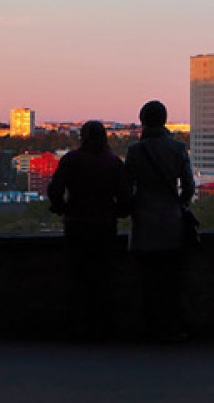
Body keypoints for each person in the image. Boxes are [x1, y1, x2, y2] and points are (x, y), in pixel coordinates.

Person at [47, 120, 132, 341]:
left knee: (78, 277)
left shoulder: (71, 161)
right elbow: (125, 196)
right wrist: (118, 212)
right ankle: (103, 326)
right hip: (105, 226)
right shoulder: (113, 163)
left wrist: (63, 208)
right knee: (103, 278)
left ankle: (78, 326)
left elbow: (55, 190)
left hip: (76, 224)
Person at [125, 100, 196, 342]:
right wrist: (180, 204)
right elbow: (188, 186)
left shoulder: (135, 151)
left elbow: (126, 188)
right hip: (171, 221)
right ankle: (173, 327)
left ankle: (150, 327)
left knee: (148, 281)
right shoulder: (177, 149)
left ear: (143, 120)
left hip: (145, 222)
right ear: (164, 120)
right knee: (172, 280)